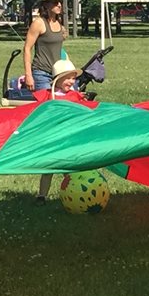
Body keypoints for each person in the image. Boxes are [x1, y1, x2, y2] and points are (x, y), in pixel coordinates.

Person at [35, 59, 91, 201]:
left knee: (69, 170)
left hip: (68, 140)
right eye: (68, 78)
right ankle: (42, 196)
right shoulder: (47, 96)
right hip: (52, 140)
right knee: (48, 170)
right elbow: (37, 113)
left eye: (73, 78)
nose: (72, 81)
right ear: (58, 79)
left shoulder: (74, 96)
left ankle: (75, 194)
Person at [23, 0, 65, 93]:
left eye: (60, 2)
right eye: (55, 2)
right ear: (46, 4)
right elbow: (27, 48)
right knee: (47, 102)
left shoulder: (59, 23)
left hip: (57, 73)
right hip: (41, 73)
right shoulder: (38, 23)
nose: (59, 5)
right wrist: (28, 75)